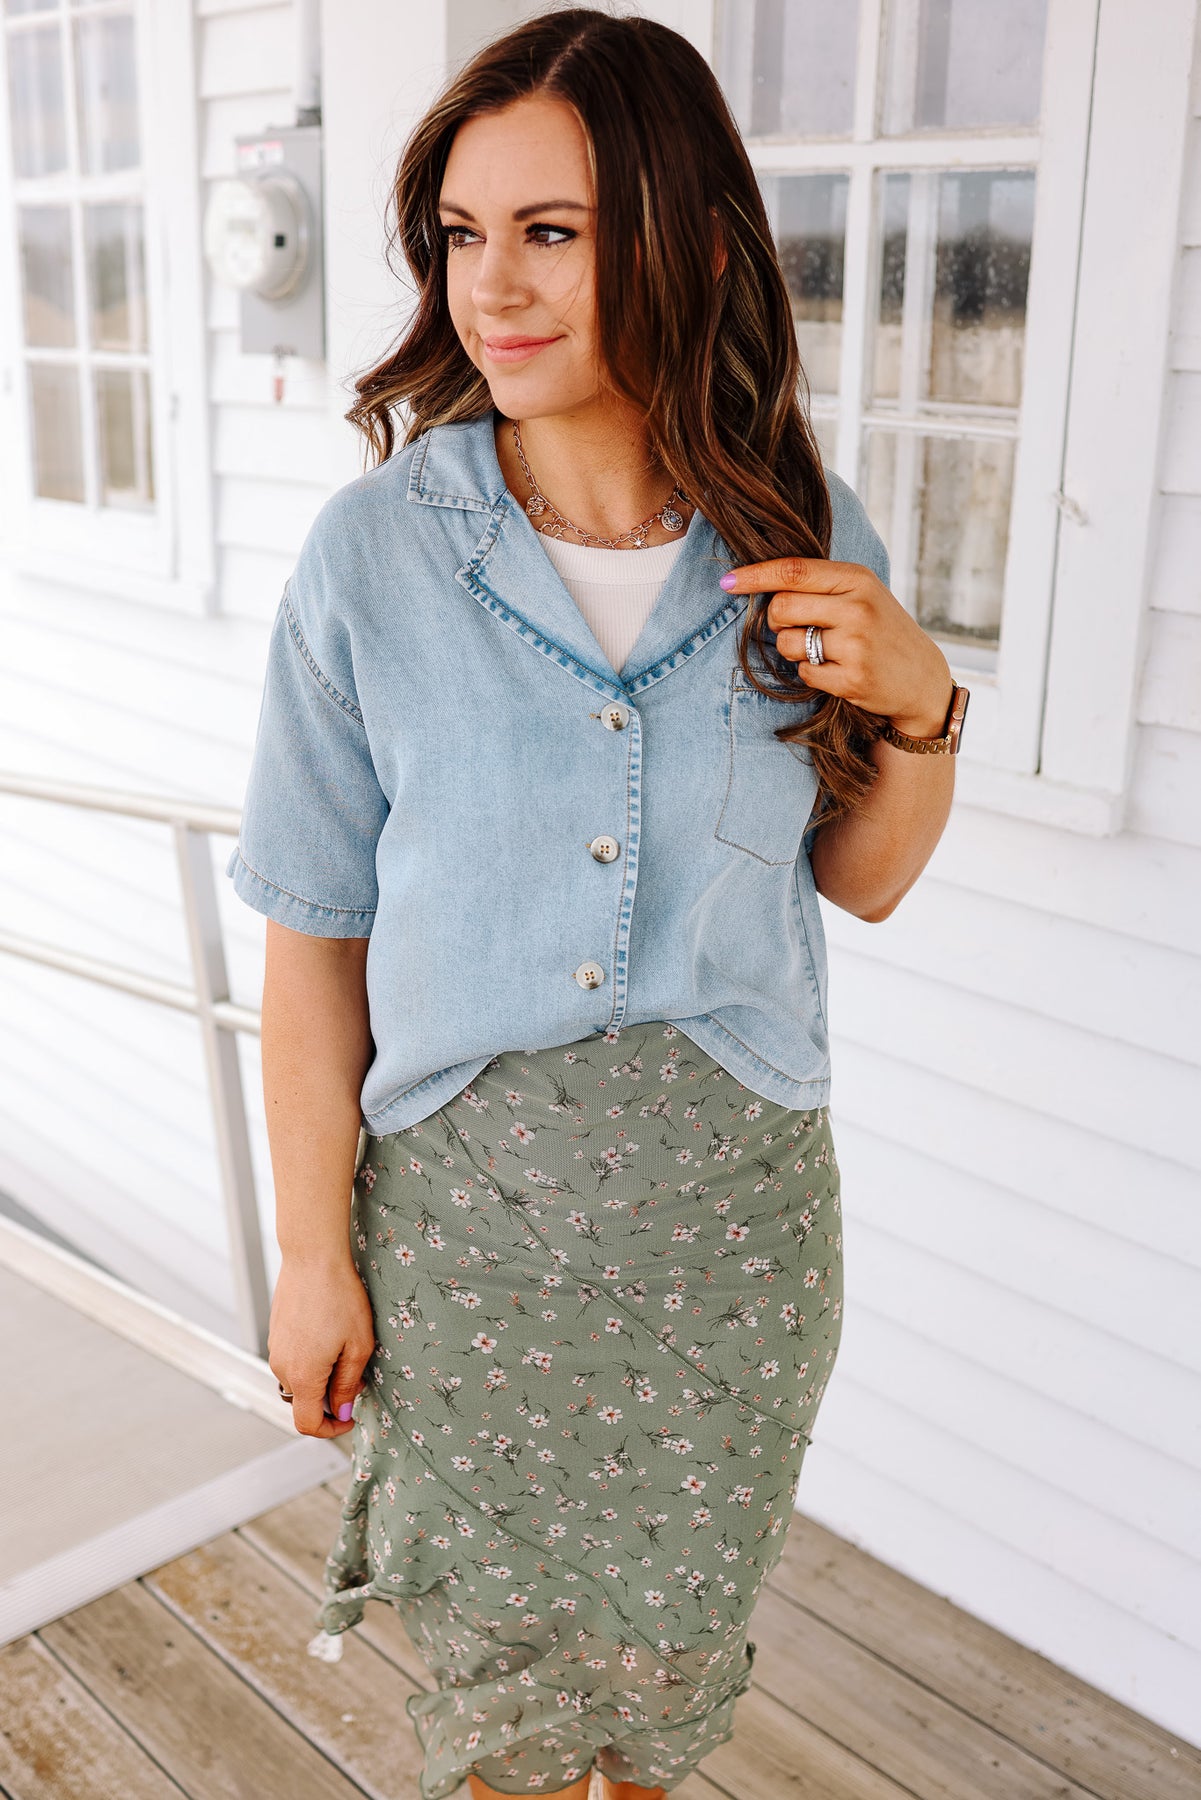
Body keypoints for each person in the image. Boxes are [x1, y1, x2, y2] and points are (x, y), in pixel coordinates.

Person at [225, 11, 967, 1799]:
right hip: (469, 1235)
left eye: (550, 231)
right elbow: (312, 939)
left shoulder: (805, 528)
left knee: (656, 1689)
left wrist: (923, 709)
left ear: (690, 245)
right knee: (509, 1712)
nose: (492, 285)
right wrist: (313, 1257)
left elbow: (860, 883)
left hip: (731, 1232)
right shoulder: (373, 558)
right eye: (461, 236)